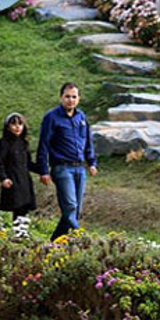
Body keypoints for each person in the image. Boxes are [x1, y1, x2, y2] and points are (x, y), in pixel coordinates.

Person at [35, 83, 99, 241]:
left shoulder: (81, 117)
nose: (71, 100)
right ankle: (83, 239)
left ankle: (54, 241)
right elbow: (43, 144)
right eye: (67, 96)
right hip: (62, 168)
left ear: (79, 99)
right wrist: (43, 170)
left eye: (74, 97)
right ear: (61, 97)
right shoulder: (51, 117)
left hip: (80, 168)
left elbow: (87, 140)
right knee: (70, 206)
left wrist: (91, 162)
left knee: (74, 211)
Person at [0, 113, 37, 222]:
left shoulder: (24, 143)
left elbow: (28, 163)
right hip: (12, 180)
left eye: (20, 124)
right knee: (17, 209)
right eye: (13, 124)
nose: (17, 127)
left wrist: (44, 170)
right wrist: (3, 178)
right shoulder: (3, 143)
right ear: (8, 127)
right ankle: (17, 234)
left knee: (25, 209)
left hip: (25, 180)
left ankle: (22, 234)